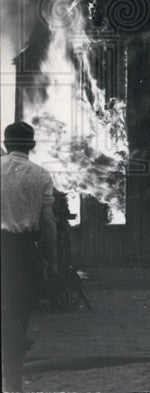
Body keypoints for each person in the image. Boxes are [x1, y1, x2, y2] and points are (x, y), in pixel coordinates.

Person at [2, 121, 58, 392]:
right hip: (24, 252)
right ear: (32, 145)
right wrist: (53, 260)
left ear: (5, 144)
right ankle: (13, 383)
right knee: (18, 316)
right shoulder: (41, 175)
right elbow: (48, 222)